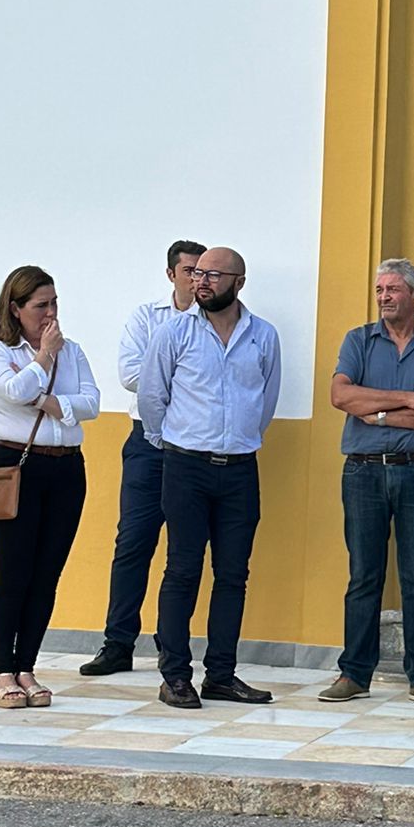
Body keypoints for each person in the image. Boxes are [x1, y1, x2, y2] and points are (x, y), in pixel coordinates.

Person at [137, 247, 281, 709]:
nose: (202, 282)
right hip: (185, 467)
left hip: (240, 470)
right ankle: (175, 675)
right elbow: (151, 397)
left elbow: (266, 400)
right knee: (181, 570)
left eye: (213, 275)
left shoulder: (263, 336)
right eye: (198, 274)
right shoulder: (173, 332)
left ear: (239, 281)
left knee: (233, 575)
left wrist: (237, 441)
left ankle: (221, 674)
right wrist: (173, 445)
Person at [320, 260, 414, 707]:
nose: (383, 296)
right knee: (364, 575)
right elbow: (341, 396)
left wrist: (373, 409)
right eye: (379, 288)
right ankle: (355, 672)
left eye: (393, 289)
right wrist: (407, 399)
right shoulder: (358, 340)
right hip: (364, 470)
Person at [80, 239, 204, 676]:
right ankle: (118, 643)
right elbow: (132, 375)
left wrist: (171, 376)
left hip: (194, 447)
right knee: (132, 542)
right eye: (189, 270)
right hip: (148, 444)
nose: (197, 278)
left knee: (185, 552)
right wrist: (185, 379)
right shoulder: (145, 317)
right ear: (172, 274)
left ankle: (173, 647)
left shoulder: (216, 322)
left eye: (203, 271)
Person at [0, 267, 99, 708]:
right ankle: (0, 671)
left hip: (66, 468)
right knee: (13, 572)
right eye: (40, 305)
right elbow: (12, 391)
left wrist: (53, 403)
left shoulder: (75, 351)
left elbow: (92, 403)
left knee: (47, 573)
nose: (50, 313)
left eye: (54, 303)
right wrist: (44, 358)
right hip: (14, 465)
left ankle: (27, 667)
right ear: (16, 308)